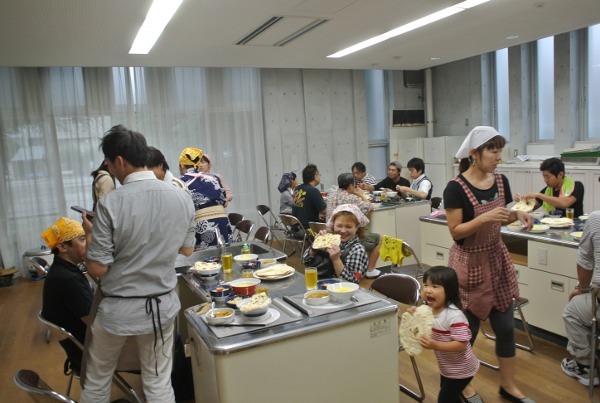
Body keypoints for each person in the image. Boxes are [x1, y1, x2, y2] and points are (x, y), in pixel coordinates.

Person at [80, 125, 196, 402]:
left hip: (118, 310)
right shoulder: (181, 196)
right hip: (163, 307)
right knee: (158, 384)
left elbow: (97, 268)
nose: (109, 169)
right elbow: (187, 249)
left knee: (97, 383)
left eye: (108, 163)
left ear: (118, 161)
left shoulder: (110, 204)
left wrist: (89, 233)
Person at [443, 126, 535, 403]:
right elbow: (456, 231)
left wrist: (517, 215)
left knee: (506, 327)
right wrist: (484, 218)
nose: (498, 156)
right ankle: (462, 386)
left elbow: (501, 217)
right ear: (475, 154)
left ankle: (508, 385)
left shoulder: (501, 180)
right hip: (468, 264)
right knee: (465, 334)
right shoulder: (455, 188)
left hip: (496, 259)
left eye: (499, 151)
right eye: (492, 151)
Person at [415, 266, 479, 403]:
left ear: (449, 291)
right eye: (425, 285)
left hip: (462, 370)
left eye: (435, 286)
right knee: (450, 396)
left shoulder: (454, 316)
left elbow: (461, 345)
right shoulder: (429, 310)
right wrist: (413, 315)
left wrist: (435, 345)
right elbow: (422, 323)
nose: (428, 290)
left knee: (444, 399)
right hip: (447, 367)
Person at [41, 217, 91, 375]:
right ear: (62, 246)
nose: (88, 243)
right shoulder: (67, 279)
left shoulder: (63, 269)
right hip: (90, 352)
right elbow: (95, 323)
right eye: (82, 239)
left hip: (81, 346)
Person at [561, 210, 600, 387]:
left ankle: (584, 366)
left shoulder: (596, 219)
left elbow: (585, 261)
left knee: (572, 310)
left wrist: (582, 289)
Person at [326, 173, 382, 278]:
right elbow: (370, 207)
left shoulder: (331, 195)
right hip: (346, 241)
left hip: (332, 235)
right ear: (351, 186)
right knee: (379, 238)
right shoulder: (352, 198)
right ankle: (370, 270)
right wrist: (361, 194)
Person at [179, 147, 234, 249]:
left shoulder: (181, 181)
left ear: (182, 166)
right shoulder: (213, 178)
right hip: (222, 220)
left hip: (203, 223)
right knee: (226, 252)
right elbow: (223, 200)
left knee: (207, 259)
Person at [303, 204, 369, 283]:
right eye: (339, 226)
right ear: (333, 225)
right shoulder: (328, 240)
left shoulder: (357, 250)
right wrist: (315, 246)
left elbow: (352, 282)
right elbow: (306, 262)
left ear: (357, 227)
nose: (343, 230)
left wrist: (336, 259)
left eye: (348, 227)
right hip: (320, 285)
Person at [515, 157, 584, 218]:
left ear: (560, 174)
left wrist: (538, 195)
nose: (545, 180)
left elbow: (564, 204)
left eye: (548, 177)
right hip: (553, 226)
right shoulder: (548, 190)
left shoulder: (577, 186)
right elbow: (531, 207)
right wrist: (523, 201)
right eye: (544, 176)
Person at [292, 164, 327, 230]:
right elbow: (324, 211)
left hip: (296, 229)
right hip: (308, 230)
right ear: (315, 177)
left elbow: (303, 209)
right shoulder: (313, 191)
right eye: (319, 175)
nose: (320, 177)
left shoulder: (297, 188)